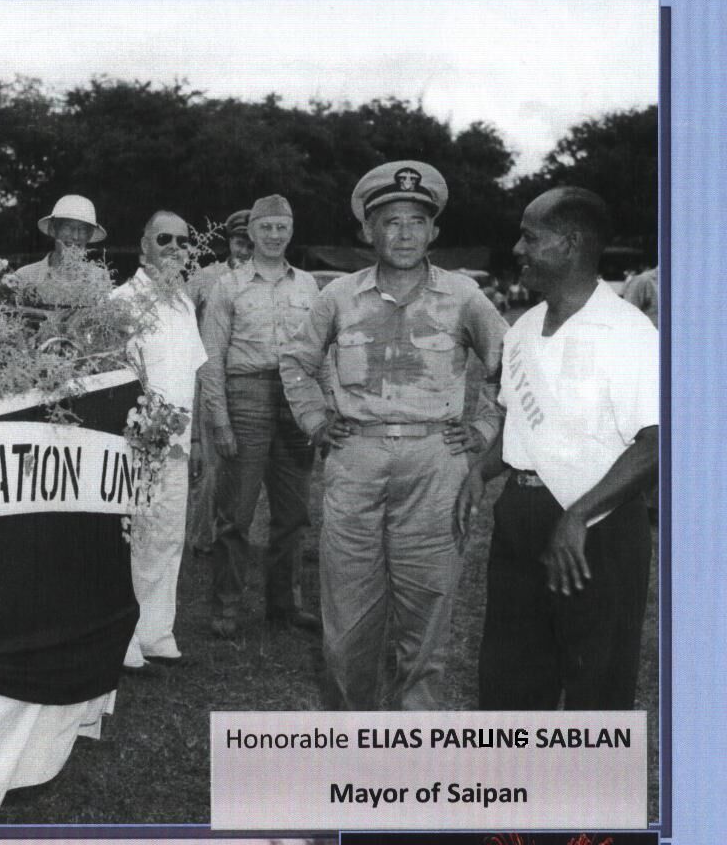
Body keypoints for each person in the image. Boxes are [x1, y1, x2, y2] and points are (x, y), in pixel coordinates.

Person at [280, 160, 508, 710]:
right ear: (368, 231)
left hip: (435, 466)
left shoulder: (465, 297)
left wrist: (481, 429)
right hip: (355, 460)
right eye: (389, 221)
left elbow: (511, 369)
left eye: (415, 221)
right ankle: (353, 741)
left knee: (426, 613)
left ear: (434, 232)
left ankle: (416, 747)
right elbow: (295, 360)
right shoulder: (337, 296)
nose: (403, 232)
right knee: (349, 617)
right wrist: (315, 421)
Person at [456, 187, 658, 710]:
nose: (518, 249)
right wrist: (483, 468)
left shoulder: (627, 331)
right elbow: (524, 424)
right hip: (521, 518)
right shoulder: (523, 327)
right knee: (510, 683)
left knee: (596, 689)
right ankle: (525, 791)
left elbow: (657, 443)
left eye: (529, 237)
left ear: (569, 243)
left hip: (597, 528)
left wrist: (578, 517)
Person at [199, 194, 320, 638]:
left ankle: (284, 605)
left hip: (296, 400)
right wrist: (220, 420)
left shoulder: (308, 285)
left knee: (293, 514)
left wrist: (318, 410)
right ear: (251, 233)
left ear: (291, 231)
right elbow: (211, 357)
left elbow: (321, 352)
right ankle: (226, 607)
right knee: (236, 513)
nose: (274, 235)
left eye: (281, 227)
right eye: (265, 227)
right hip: (245, 395)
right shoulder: (227, 287)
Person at [111, 211, 207, 668]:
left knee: (169, 536)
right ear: (143, 246)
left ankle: (156, 631)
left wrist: (198, 437)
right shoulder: (123, 301)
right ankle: (123, 636)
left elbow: (195, 375)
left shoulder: (184, 304)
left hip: (180, 443)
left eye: (183, 241)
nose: (174, 247)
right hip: (136, 442)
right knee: (134, 539)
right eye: (163, 238)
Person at [185, 209, 254, 557]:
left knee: (242, 462)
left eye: (250, 245)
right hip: (207, 375)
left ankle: (234, 531)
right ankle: (200, 538)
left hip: (246, 377)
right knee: (207, 464)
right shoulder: (205, 278)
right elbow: (182, 321)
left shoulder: (263, 279)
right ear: (229, 242)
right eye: (240, 243)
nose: (244, 252)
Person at [15, 194, 106, 281]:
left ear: (89, 236)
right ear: (53, 229)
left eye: (82, 229)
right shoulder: (25, 277)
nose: (75, 236)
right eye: (68, 227)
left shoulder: (99, 278)